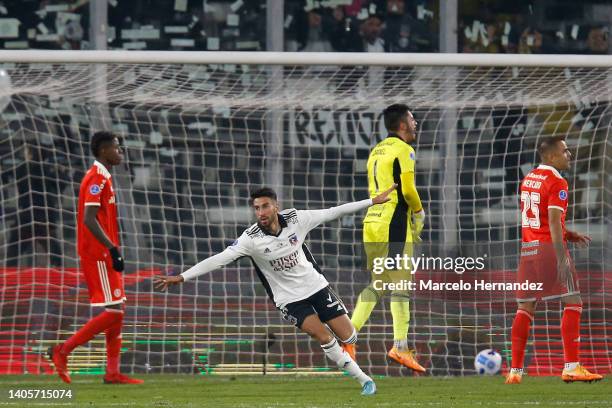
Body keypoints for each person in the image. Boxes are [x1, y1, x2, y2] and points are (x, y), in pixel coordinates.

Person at [154, 186, 399, 396]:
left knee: (349, 335)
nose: (260, 212)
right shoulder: (250, 239)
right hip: (289, 299)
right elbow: (219, 259)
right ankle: (364, 380)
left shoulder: (296, 219)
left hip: (315, 285)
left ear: (275, 206)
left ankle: (347, 352)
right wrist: (182, 277)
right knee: (323, 337)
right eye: (256, 208)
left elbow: (332, 212)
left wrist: (372, 201)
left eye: (264, 206)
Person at [505, 135, 603, 384]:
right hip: (550, 250)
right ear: (551, 156)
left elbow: (539, 218)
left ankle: (515, 372)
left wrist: (570, 234)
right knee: (574, 301)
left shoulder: (530, 178)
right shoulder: (557, 181)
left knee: (525, 307)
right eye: (565, 151)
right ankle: (571, 365)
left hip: (528, 249)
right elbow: (551, 222)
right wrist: (562, 257)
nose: (569, 155)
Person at [48, 131, 143, 385]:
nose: (120, 150)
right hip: (98, 254)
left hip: (105, 252)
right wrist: (111, 249)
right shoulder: (96, 178)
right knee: (114, 313)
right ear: (103, 151)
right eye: (116, 147)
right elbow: (89, 218)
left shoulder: (104, 177)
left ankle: (112, 372)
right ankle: (63, 350)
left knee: (117, 309)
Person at [346, 104, 426, 373]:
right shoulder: (405, 150)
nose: (415, 124)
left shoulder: (377, 150)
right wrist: (419, 212)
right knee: (401, 285)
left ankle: (348, 338)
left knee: (378, 283)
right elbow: (409, 189)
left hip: (372, 222)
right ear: (402, 124)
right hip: (393, 222)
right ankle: (400, 346)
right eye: (412, 119)